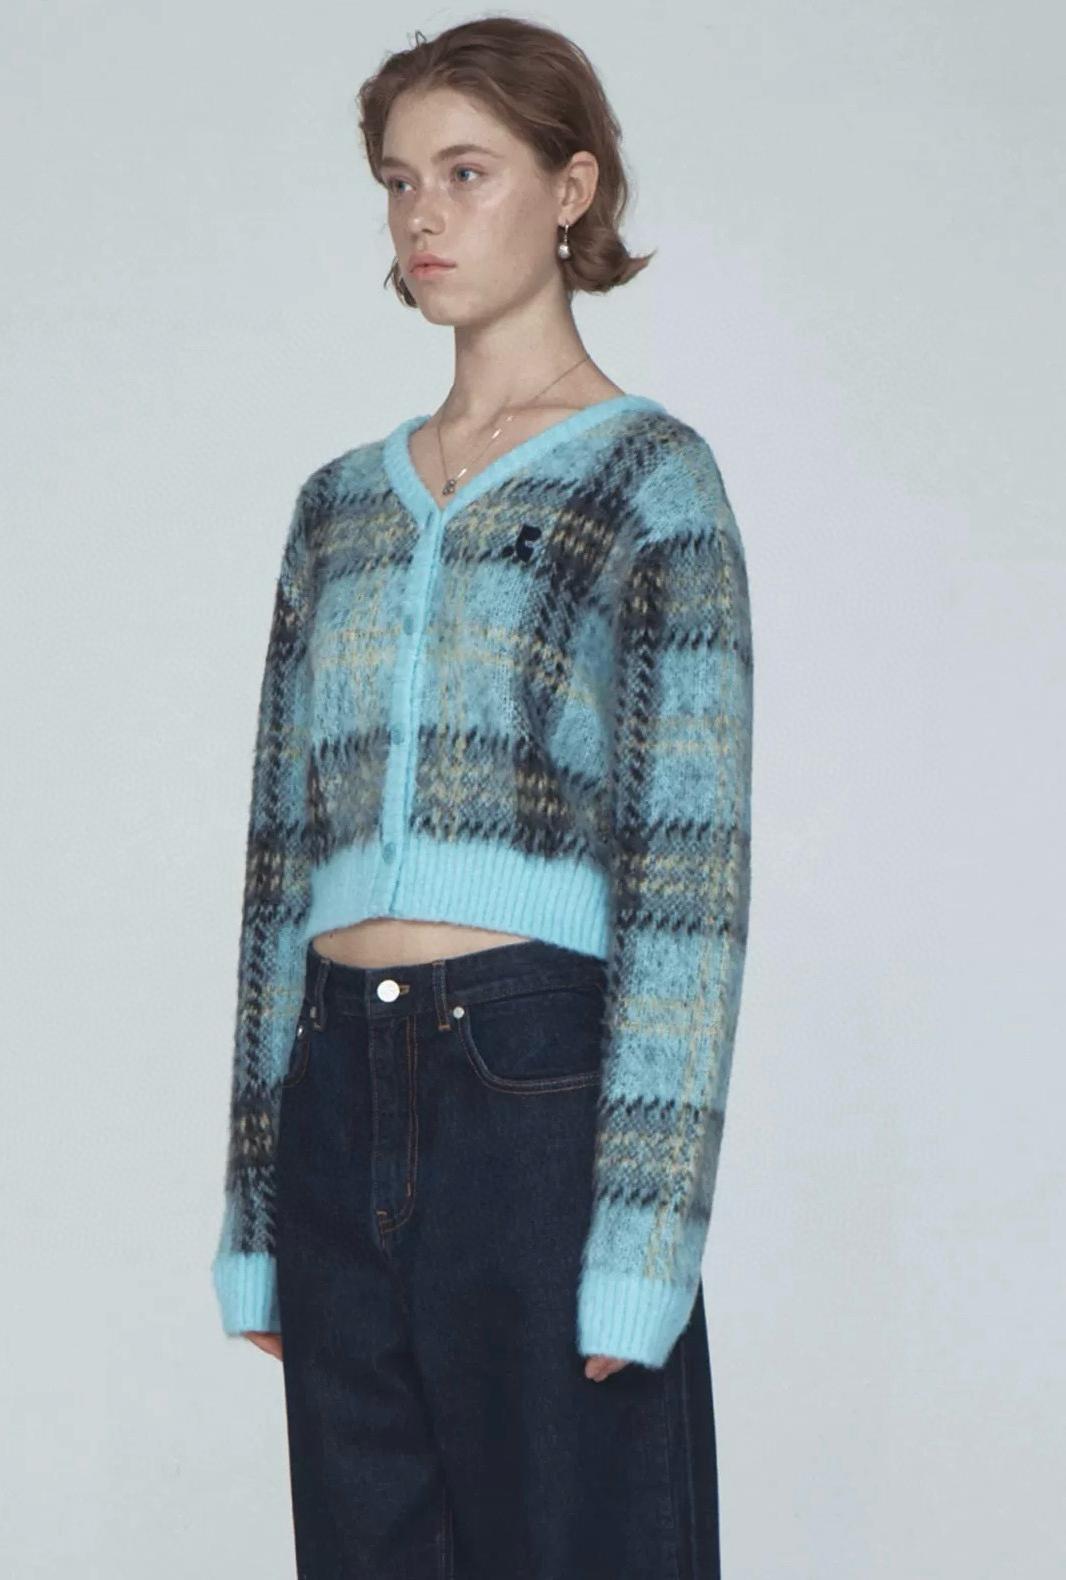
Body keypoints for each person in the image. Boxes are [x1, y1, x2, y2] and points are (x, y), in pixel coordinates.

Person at [211, 16, 753, 1578]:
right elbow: (277, 864)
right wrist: (257, 1208)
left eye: (468, 173)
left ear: (571, 189)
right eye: (399, 182)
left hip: (535, 1090)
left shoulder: (648, 481)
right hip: (336, 1089)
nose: (424, 217)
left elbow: (689, 879)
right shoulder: (338, 506)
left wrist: (647, 1237)